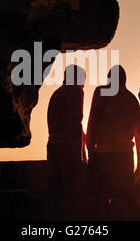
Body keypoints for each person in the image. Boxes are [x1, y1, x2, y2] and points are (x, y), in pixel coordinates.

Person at [86, 65, 140, 219]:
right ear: (124, 80)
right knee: (121, 201)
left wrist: (90, 153)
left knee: (101, 201)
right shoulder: (131, 99)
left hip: (102, 155)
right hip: (124, 156)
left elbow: (91, 125)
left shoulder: (100, 93)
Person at [46, 65, 86, 220]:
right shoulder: (76, 91)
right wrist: (81, 150)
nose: (83, 84)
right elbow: (75, 120)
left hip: (53, 142)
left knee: (55, 189)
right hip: (67, 145)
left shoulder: (55, 94)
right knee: (71, 190)